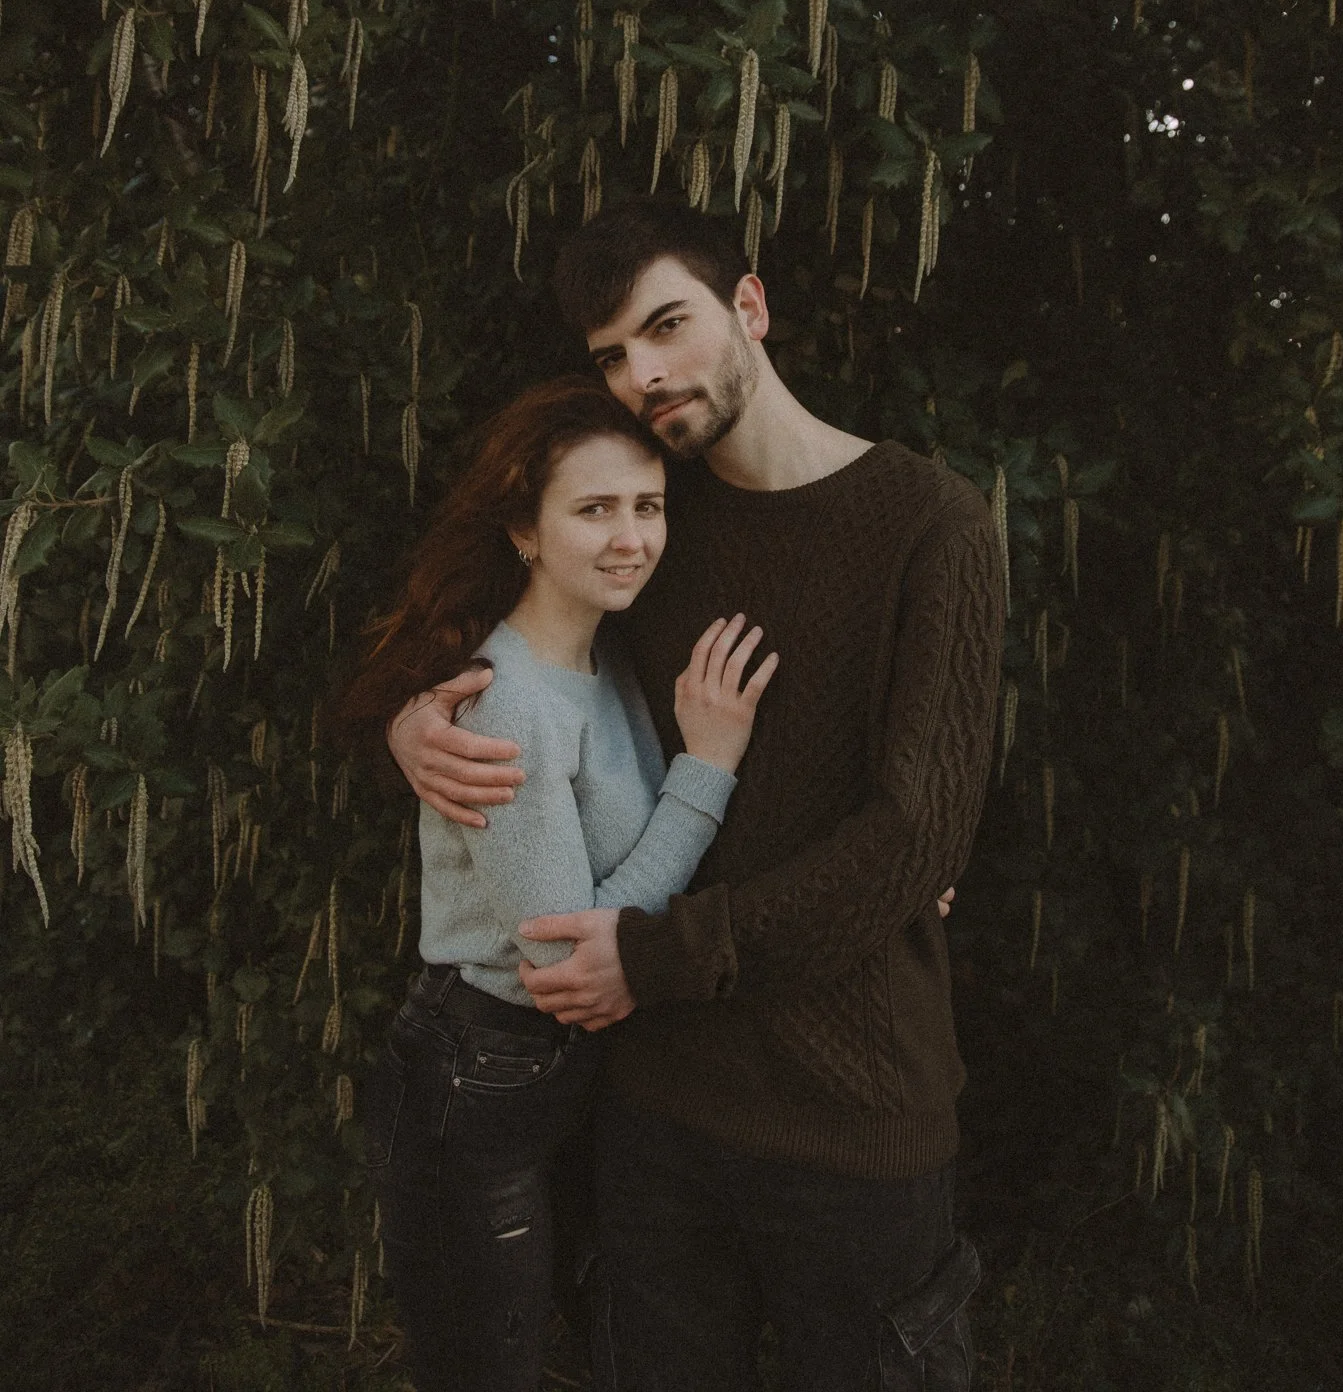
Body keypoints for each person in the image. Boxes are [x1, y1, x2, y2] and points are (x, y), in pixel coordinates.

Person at [388, 202, 1005, 1392]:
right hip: (655, 1111)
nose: (645, 374)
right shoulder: (638, 514)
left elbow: (914, 834)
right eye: (613, 354)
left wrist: (660, 956)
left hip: (851, 1112)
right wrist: (416, 732)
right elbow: (510, 664)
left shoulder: (933, 525)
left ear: (751, 309)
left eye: (667, 325)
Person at [342, 375, 778, 1392]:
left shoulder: (603, 654)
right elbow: (562, 952)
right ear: (524, 532)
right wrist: (706, 770)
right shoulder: (507, 703)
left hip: (570, 1080)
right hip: (475, 1080)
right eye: (595, 509)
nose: (632, 536)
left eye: (648, 504)